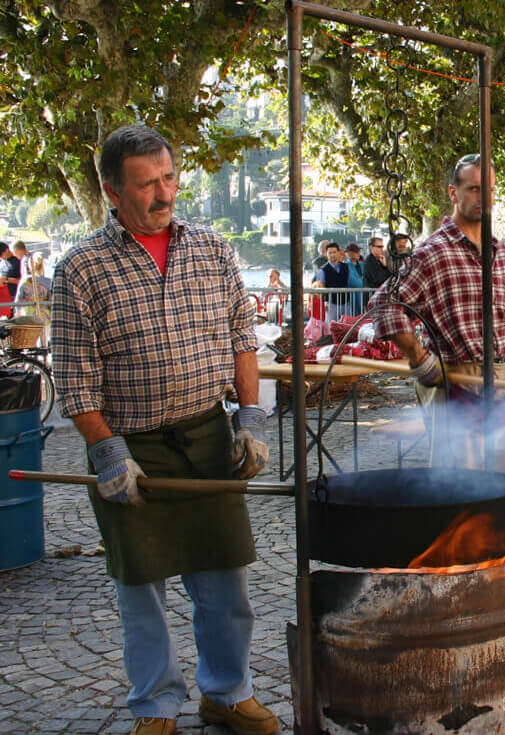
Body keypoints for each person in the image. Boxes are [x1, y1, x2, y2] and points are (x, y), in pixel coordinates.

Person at [50, 125, 275, 735]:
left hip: (208, 438)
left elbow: (240, 340)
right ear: (111, 191)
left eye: (169, 178)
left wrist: (250, 417)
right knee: (141, 586)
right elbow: (75, 379)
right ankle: (155, 704)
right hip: (134, 443)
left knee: (225, 578)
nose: (163, 193)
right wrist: (106, 451)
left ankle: (227, 693)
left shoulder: (213, 249)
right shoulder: (80, 269)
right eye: (147, 183)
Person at [367, 153, 505, 476]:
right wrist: (418, 357)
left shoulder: (497, 253)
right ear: (453, 193)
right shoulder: (432, 252)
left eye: (491, 190)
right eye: (474, 188)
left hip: (498, 382)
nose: (483, 197)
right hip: (454, 381)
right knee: (460, 490)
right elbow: (384, 304)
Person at [315, 242, 349, 322]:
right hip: (331, 304)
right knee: (331, 328)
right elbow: (320, 289)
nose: (332, 255)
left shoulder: (346, 267)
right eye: (330, 253)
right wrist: (324, 303)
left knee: (347, 327)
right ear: (326, 254)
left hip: (346, 303)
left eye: (334, 252)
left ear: (338, 253)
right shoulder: (323, 270)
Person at [15, 251, 52, 323]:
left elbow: (18, 300)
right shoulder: (49, 282)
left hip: (28, 317)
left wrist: (18, 312)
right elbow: (51, 301)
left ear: (29, 266)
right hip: (45, 317)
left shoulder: (24, 281)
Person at [344, 242, 365, 316]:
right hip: (353, 298)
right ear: (349, 253)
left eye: (359, 251)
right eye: (356, 251)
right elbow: (352, 282)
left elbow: (368, 278)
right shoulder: (346, 266)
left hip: (364, 297)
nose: (359, 253)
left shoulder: (363, 264)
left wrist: (360, 279)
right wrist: (363, 281)